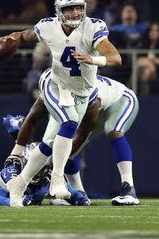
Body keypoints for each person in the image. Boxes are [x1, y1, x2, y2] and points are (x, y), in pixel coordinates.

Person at [0, 0, 121, 206]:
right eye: (68, 9)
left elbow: (115, 58)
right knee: (70, 121)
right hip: (55, 84)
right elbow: (25, 35)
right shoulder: (48, 26)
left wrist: (92, 60)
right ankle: (57, 179)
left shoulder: (93, 27)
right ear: (59, 11)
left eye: (77, 8)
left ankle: (19, 183)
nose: (74, 13)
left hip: (83, 92)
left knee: (48, 144)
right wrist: (12, 37)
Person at [8, 69, 139, 205]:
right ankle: (78, 193)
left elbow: (81, 135)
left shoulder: (90, 97)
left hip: (120, 101)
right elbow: (31, 119)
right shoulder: (50, 88)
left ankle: (128, 188)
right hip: (80, 105)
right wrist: (16, 152)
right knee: (56, 143)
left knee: (112, 130)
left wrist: (51, 163)